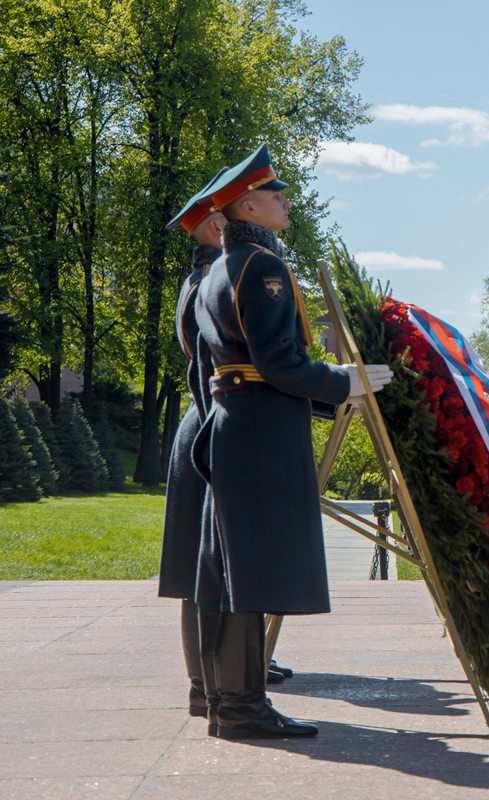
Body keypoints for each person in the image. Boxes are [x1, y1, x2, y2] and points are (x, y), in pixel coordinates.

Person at [192, 144, 392, 739]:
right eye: (276, 196)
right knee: (250, 572)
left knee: (231, 571)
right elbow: (277, 361)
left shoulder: (218, 271)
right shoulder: (264, 268)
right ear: (248, 205)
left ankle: (230, 703)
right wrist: (341, 382)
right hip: (261, 427)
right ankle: (243, 709)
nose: (286, 203)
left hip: (234, 421)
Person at [159, 167, 229, 721]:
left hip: (197, 422)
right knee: (204, 566)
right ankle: (208, 681)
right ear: (211, 224)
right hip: (210, 423)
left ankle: (214, 675)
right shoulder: (212, 282)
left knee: (200, 565)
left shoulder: (201, 278)